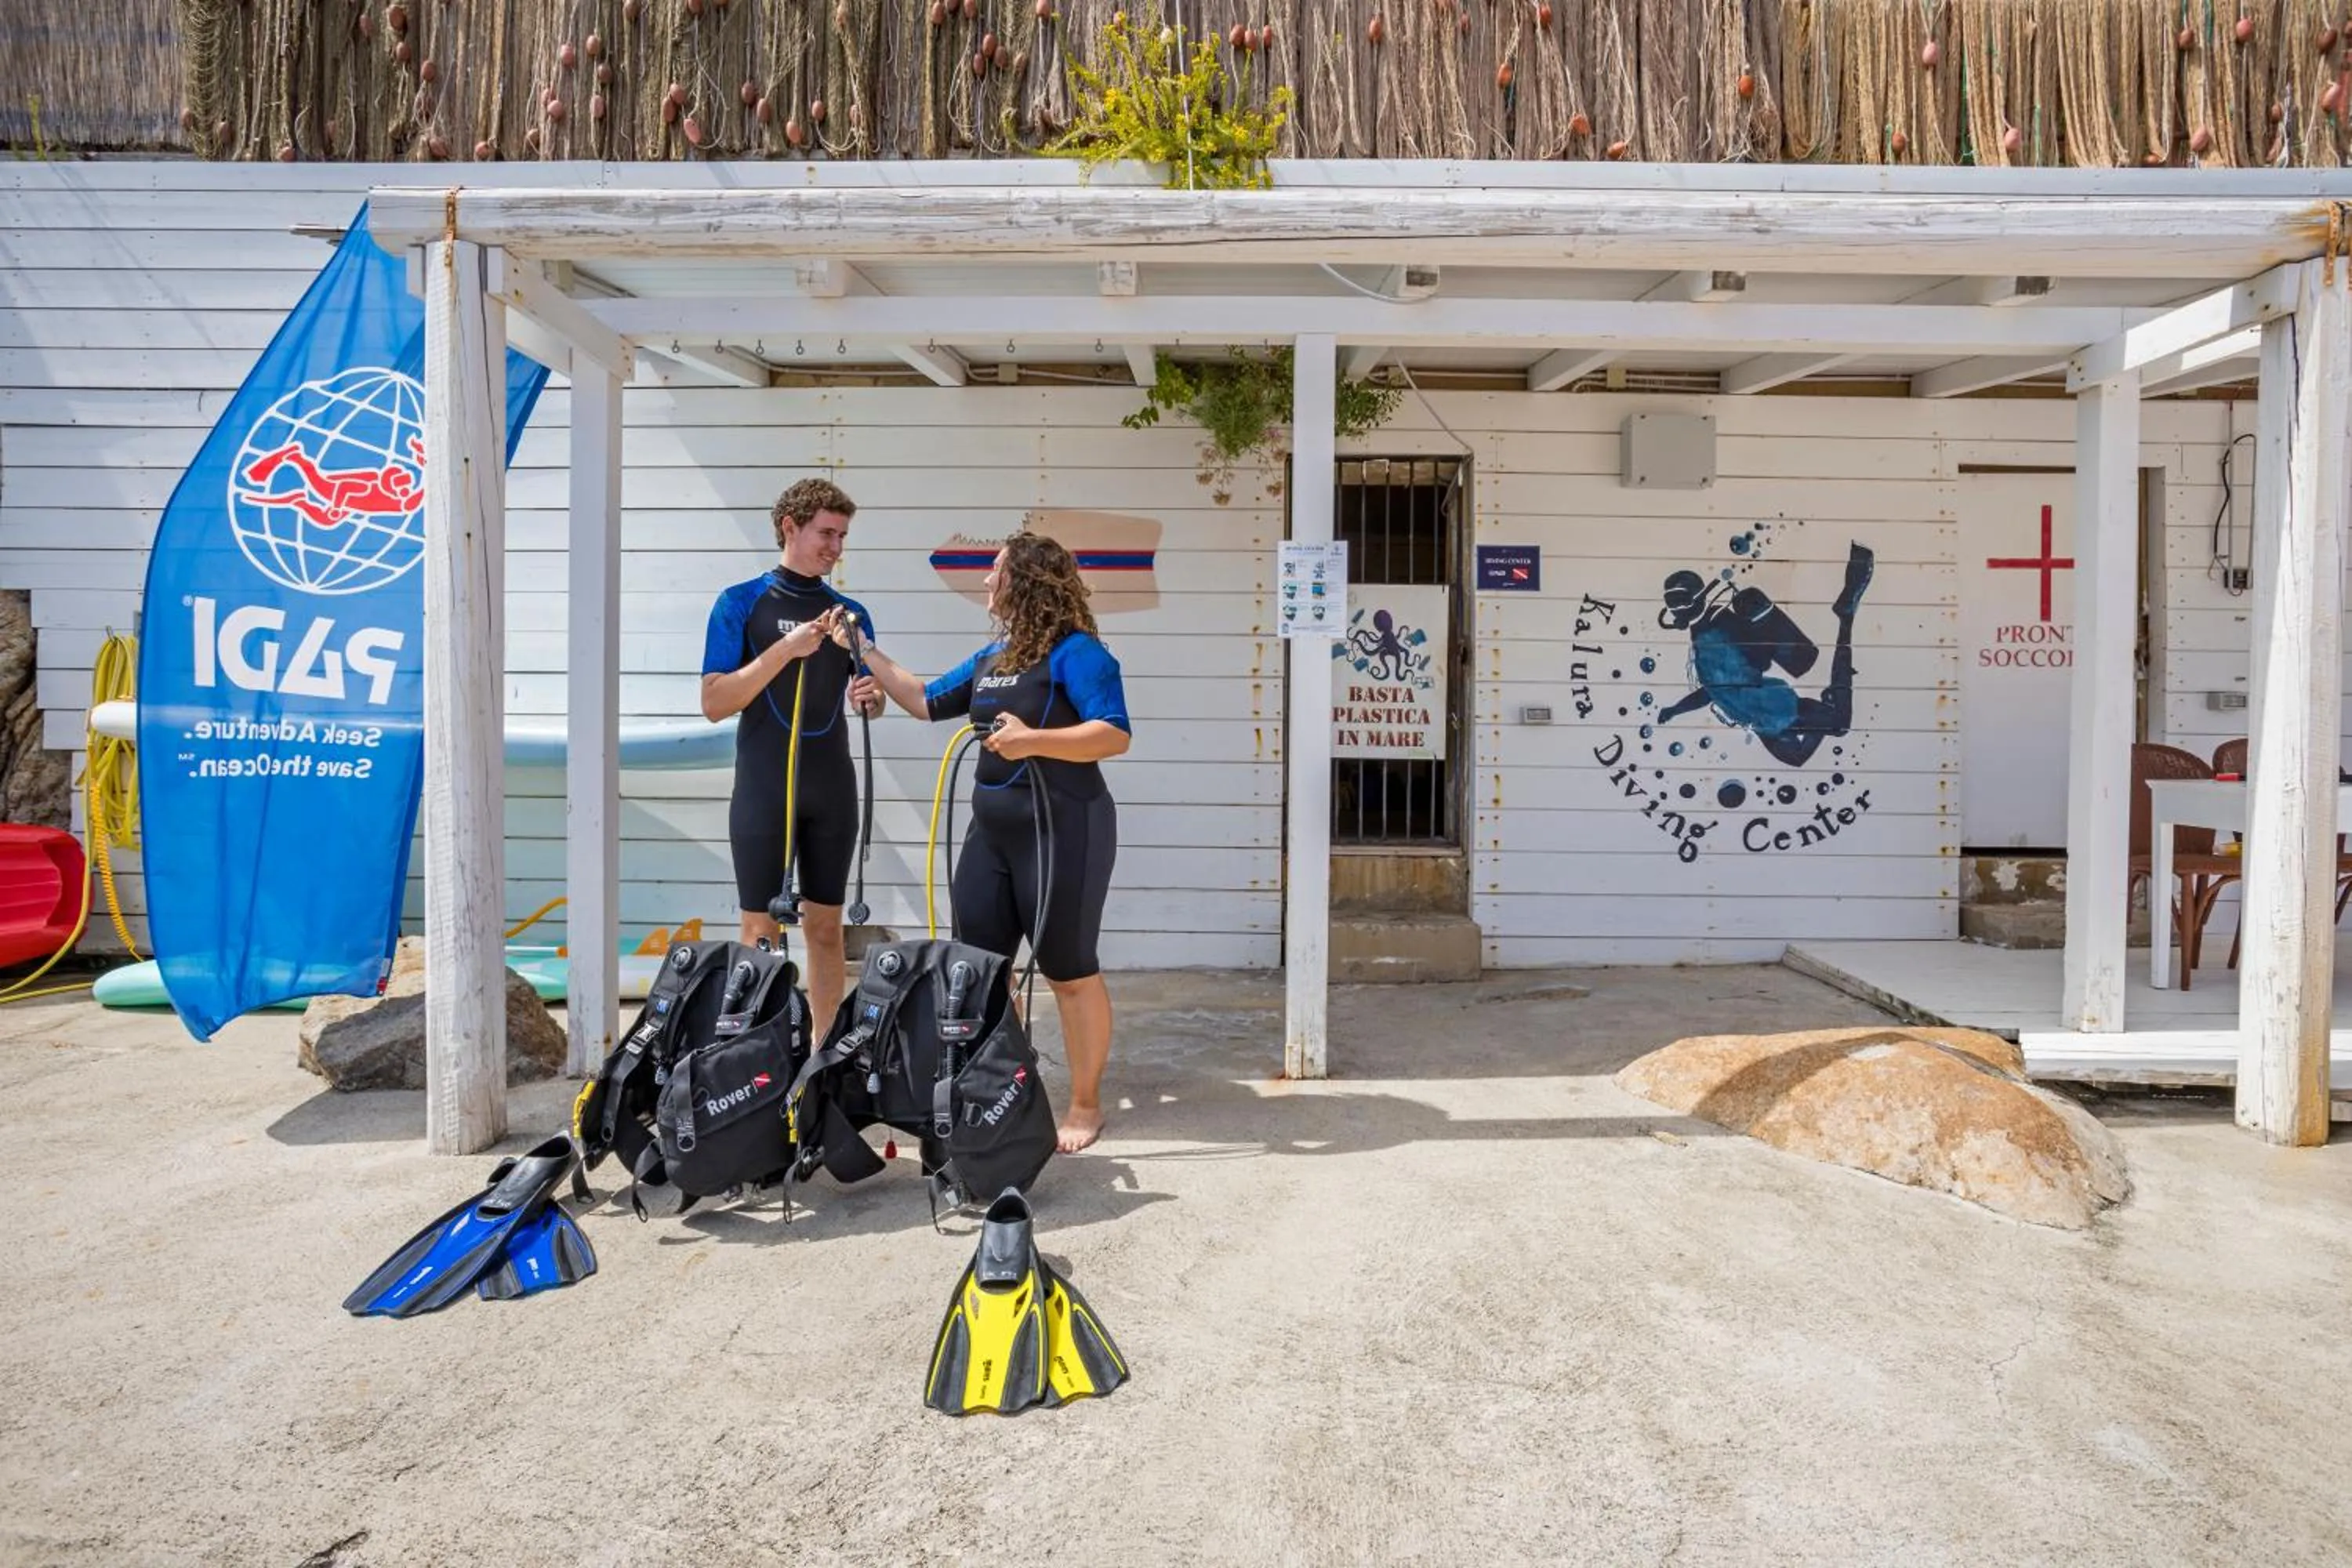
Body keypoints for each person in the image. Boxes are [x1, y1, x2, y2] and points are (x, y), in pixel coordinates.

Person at [856, 532, 1130, 1153]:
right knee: (979, 970)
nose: (985, 582)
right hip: (992, 835)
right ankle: (1009, 1080)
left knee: (1068, 970)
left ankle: (1086, 1103)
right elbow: (923, 701)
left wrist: (1034, 740)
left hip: (1063, 829)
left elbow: (1113, 734)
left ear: (1027, 580)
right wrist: (862, 647)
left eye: (996, 571)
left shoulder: (1079, 654)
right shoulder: (994, 657)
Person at [700, 477, 883, 1029]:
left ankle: (824, 1053)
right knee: (761, 929)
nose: (836, 546)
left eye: (843, 535)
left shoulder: (848, 614)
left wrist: (870, 699)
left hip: (831, 788)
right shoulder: (740, 603)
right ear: (789, 527)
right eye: (826, 532)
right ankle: (760, 1051)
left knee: (826, 929)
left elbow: (870, 702)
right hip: (765, 787)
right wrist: (787, 649)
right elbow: (714, 701)